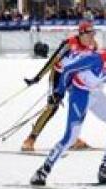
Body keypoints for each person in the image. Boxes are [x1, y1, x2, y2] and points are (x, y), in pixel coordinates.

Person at [30, 36, 106, 186]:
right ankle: (42, 172)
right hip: (80, 94)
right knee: (71, 137)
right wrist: (58, 92)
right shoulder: (97, 59)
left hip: (96, 93)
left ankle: (105, 170)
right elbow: (67, 70)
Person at [20, 21, 98, 151]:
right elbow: (52, 62)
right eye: (89, 34)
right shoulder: (69, 44)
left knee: (80, 105)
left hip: (73, 77)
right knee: (52, 107)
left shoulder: (93, 45)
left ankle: (73, 138)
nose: (92, 37)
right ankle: (30, 139)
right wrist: (37, 78)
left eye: (93, 34)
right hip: (58, 76)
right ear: (81, 33)